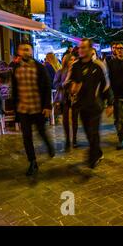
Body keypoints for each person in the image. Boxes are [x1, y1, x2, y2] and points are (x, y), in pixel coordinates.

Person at [69, 38, 114, 169]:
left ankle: (92, 158)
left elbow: (106, 86)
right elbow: (69, 83)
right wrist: (72, 89)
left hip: (95, 105)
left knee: (93, 132)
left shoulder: (99, 65)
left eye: (83, 47)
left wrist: (110, 104)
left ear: (90, 49)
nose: (80, 50)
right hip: (81, 106)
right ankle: (98, 152)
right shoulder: (75, 65)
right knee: (89, 133)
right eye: (79, 48)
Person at [12, 43, 54, 176]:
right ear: (18, 52)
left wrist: (47, 106)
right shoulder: (16, 68)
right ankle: (32, 162)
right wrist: (15, 111)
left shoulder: (39, 67)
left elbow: (47, 87)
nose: (25, 52)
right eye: (22, 49)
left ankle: (49, 146)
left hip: (37, 107)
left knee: (41, 132)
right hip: (23, 109)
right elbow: (15, 90)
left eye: (27, 49)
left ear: (31, 51)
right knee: (27, 137)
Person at [54, 53, 79, 150]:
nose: (72, 61)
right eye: (70, 60)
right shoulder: (60, 71)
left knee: (75, 119)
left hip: (75, 98)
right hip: (64, 98)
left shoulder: (77, 72)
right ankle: (67, 140)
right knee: (65, 120)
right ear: (67, 61)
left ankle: (75, 139)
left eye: (74, 59)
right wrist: (64, 84)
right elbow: (55, 84)